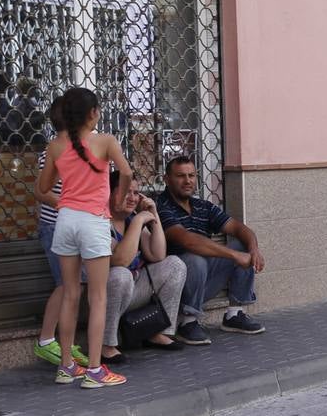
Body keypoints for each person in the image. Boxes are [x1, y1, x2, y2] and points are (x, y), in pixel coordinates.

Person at [36, 87, 132, 388]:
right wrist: (118, 199)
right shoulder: (105, 141)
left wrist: (64, 203)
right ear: (92, 113)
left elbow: (41, 189)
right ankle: (94, 370)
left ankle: (66, 366)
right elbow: (126, 171)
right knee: (98, 297)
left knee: (70, 292)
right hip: (93, 222)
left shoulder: (54, 146)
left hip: (66, 222)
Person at [156, 156, 265, 344]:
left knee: (242, 245)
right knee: (194, 258)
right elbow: (188, 241)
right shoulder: (162, 207)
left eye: (191, 175)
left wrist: (253, 249)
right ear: (166, 179)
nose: (187, 180)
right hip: (172, 290)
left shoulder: (202, 206)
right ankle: (187, 322)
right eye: (180, 176)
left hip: (203, 281)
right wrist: (233, 255)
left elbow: (238, 228)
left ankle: (234, 315)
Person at [101, 171, 186, 364]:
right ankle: (106, 345)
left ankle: (156, 332)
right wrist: (140, 220)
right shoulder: (101, 222)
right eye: (126, 192)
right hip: (101, 296)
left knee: (175, 265)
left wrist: (153, 216)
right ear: (109, 192)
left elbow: (158, 254)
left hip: (131, 289)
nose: (132, 198)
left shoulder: (131, 220)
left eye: (136, 192)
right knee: (120, 274)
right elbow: (120, 260)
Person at [32, 98, 90, 370]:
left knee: (73, 285)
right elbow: (42, 192)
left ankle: (64, 344)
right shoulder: (56, 151)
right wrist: (68, 204)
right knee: (66, 286)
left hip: (69, 225)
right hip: (56, 226)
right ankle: (46, 341)